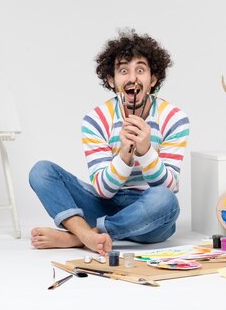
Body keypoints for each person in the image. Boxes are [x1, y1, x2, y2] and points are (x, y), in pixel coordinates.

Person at [29, 29, 189, 255]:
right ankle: (91, 235)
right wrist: (125, 155)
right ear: (112, 81)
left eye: (140, 70)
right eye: (123, 70)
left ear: (153, 80)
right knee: (41, 171)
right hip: (104, 203)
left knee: (165, 199)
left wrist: (145, 151)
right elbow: (103, 190)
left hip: (149, 213)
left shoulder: (174, 117)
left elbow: (169, 188)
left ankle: (79, 237)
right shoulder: (95, 119)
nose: (132, 78)